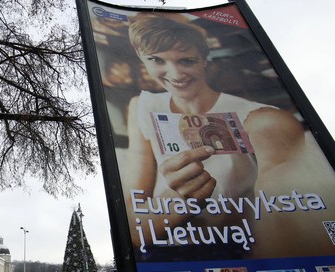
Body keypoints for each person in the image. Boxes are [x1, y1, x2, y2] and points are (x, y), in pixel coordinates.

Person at [122, 15, 334, 259]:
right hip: (166, 251)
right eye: (157, 60)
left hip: (239, 251)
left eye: (186, 60)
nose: (175, 73)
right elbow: (131, 225)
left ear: (204, 60)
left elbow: (285, 214)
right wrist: (180, 199)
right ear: (142, 60)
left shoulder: (261, 119)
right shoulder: (143, 106)